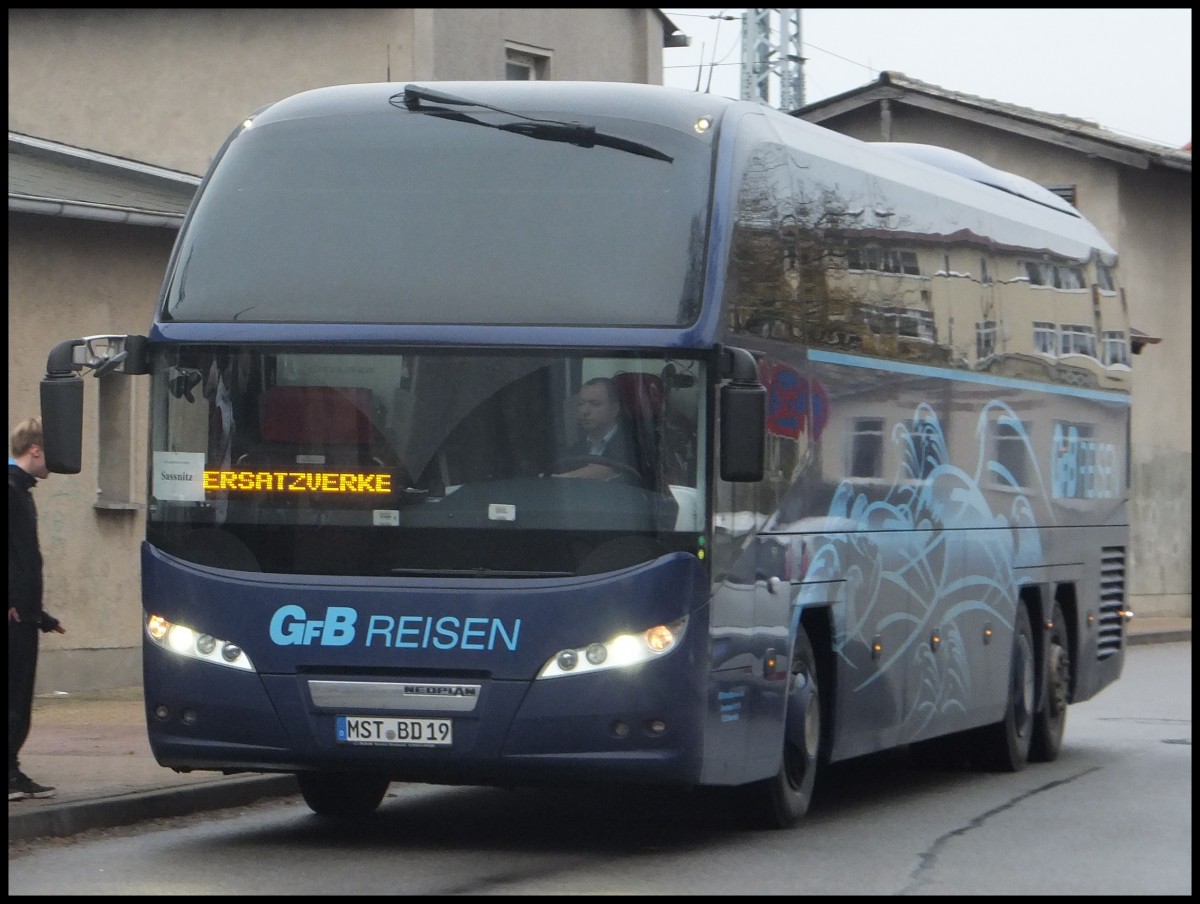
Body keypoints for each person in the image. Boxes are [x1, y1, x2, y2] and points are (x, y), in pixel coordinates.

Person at [9, 416, 66, 801]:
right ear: (35, 449)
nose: (56, 463)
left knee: (18, 697)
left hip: (24, 614)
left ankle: (11, 769)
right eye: (52, 453)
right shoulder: (11, 491)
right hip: (15, 615)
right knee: (14, 696)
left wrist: (42, 616)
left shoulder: (20, 490)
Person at [552, 377, 644, 481]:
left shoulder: (632, 445)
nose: (585, 411)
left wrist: (560, 479)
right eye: (581, 404)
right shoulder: (575, 450)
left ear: (615, 409)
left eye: (595, 404)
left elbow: (605, 470)